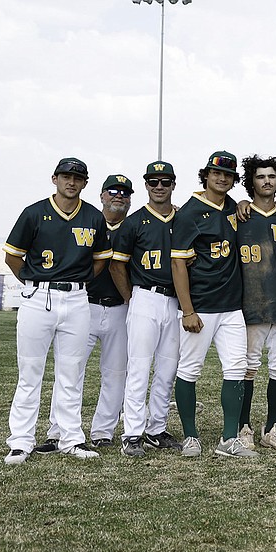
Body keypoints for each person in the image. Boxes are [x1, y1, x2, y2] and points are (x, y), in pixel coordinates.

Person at [3, 158, 112, 465]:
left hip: (77, 298)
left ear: (85, 183)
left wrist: (80, 280)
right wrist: (34, 282)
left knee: (72, 372)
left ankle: (70, 438)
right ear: (54, 178)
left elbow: (101, 259)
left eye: (77, 178)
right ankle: (21, 441)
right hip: (39, 297)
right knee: (30, 372)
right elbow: (13, 257)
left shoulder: (92, 215)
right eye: (66, 176)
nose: (71, 182)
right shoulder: (34, 212)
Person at [171, 150, 256, 459]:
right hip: (202, 305)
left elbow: (247, 209)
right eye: (216, 173)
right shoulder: (190, 212)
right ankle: (191, 436)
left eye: (228, 175)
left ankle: (229, 438)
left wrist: (245, 203)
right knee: (190, 369)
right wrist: (188, 310)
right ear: (205, 175)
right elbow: (178, 265)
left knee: (236, 368)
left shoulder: (233, 207)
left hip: (232, 306)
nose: (222, 178)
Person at [111, 160, 183, 455]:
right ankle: (132, 433)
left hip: (176, 300)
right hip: (145, 297)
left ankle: (157, 428)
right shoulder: (135, 221)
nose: (159, 187)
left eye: (165, 182)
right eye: (153, 182)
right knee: (139, 366)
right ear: (146, 185)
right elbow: (117, 265)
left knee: (168, 369)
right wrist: (131, 298)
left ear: (173, 185)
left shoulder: (183, 218)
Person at [235, 155, 276, 453]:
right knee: (248, 368)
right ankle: (243, 426)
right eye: (260, 176)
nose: (267, 181)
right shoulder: (239, 216)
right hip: (250, 302)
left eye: (271, 177)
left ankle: (272, 428)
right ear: (251, 181)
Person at [82, 175, 133, 450]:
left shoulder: (135, 227)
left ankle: (103, 431)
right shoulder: (88, 222)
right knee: (72, 371)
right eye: (113, 191)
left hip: (119, 308)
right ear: (102, 195)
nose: (118, 196)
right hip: (85, 305)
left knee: (115, 373)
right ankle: (59, 430)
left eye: (124, 192)